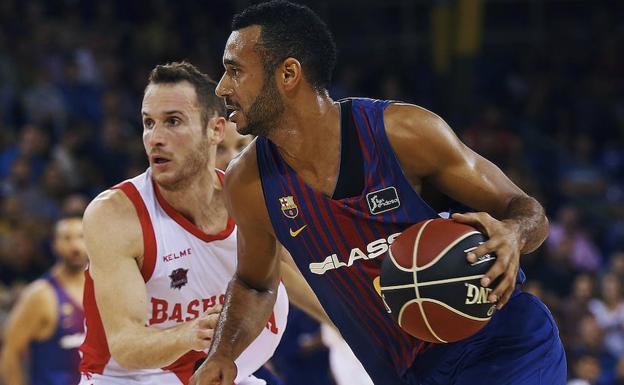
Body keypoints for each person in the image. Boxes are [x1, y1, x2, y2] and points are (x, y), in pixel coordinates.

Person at [191, 1, 567, 384]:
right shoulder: (248, 184)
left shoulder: (403, 134)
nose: (222, 87)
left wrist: (514, 233)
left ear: (288, 73)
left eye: (235, 71)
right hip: (407, 372)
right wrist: (223, 353)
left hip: (502, 345)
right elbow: (255, 284)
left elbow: (524, 209)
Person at [78, 62, 296, 385]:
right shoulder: (115, 215)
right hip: (125, 379)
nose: (155, 138)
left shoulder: (252, 202)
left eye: (173, 122)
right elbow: (125, 344)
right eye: (148, 123)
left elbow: (305, 279)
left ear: (216, 130)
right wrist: (192, 333)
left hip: (217, 370)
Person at [0, 214, 87, 385]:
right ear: (54, 244)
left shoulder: (102, 289)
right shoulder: (40, 295)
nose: (75, 246)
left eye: (81, 237)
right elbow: (10, 353)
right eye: (67, 238)